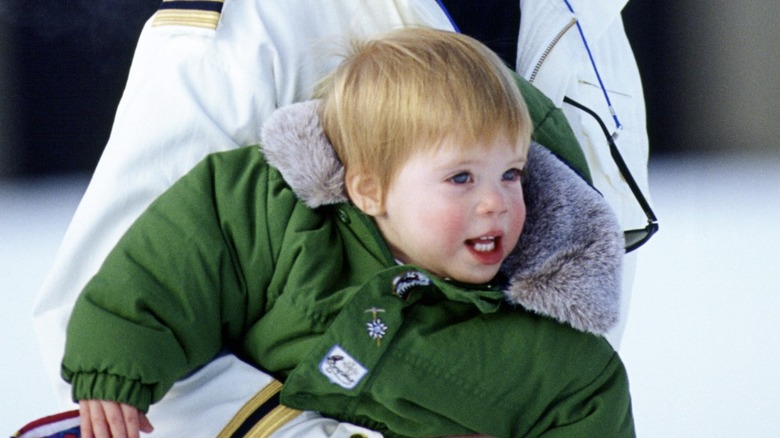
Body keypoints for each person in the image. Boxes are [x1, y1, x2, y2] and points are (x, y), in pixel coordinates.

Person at [35, 0, 648, 435]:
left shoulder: (587, 18)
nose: (495, 200)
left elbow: (584, 319)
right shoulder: (254, 16)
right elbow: (119, 298)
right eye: (462, 178)